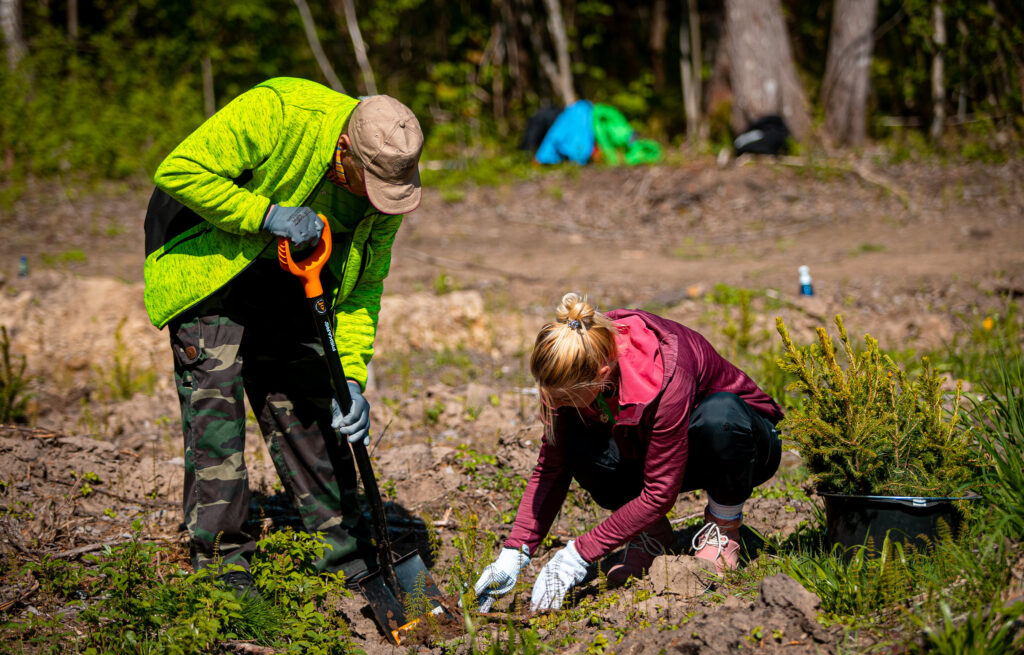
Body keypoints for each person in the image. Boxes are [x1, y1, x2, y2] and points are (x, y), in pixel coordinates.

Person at [142, 77, 423, 596]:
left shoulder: (388, 180)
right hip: (208, 255)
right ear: (345, 154)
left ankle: (345, 552)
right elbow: (179, 170)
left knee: (313, 401)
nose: (380, 203)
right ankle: (224, 568)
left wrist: (354, 379)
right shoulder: (279, 110)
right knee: (216, 406)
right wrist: (267, 215)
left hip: (290, 271)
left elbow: (363, 288)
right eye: (372, 187)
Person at [473, 293, 783, 612]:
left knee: (721, 418)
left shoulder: (664, 370)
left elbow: (660, 492)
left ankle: (723, 528)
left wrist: (577, 555)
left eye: (567, 397)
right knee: (573, 440)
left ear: (603, 371)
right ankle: (651, 532)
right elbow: (551, 470)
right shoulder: (574, 361)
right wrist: (514, 554)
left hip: (743, 446)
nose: (558, 403)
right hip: (656, 448)